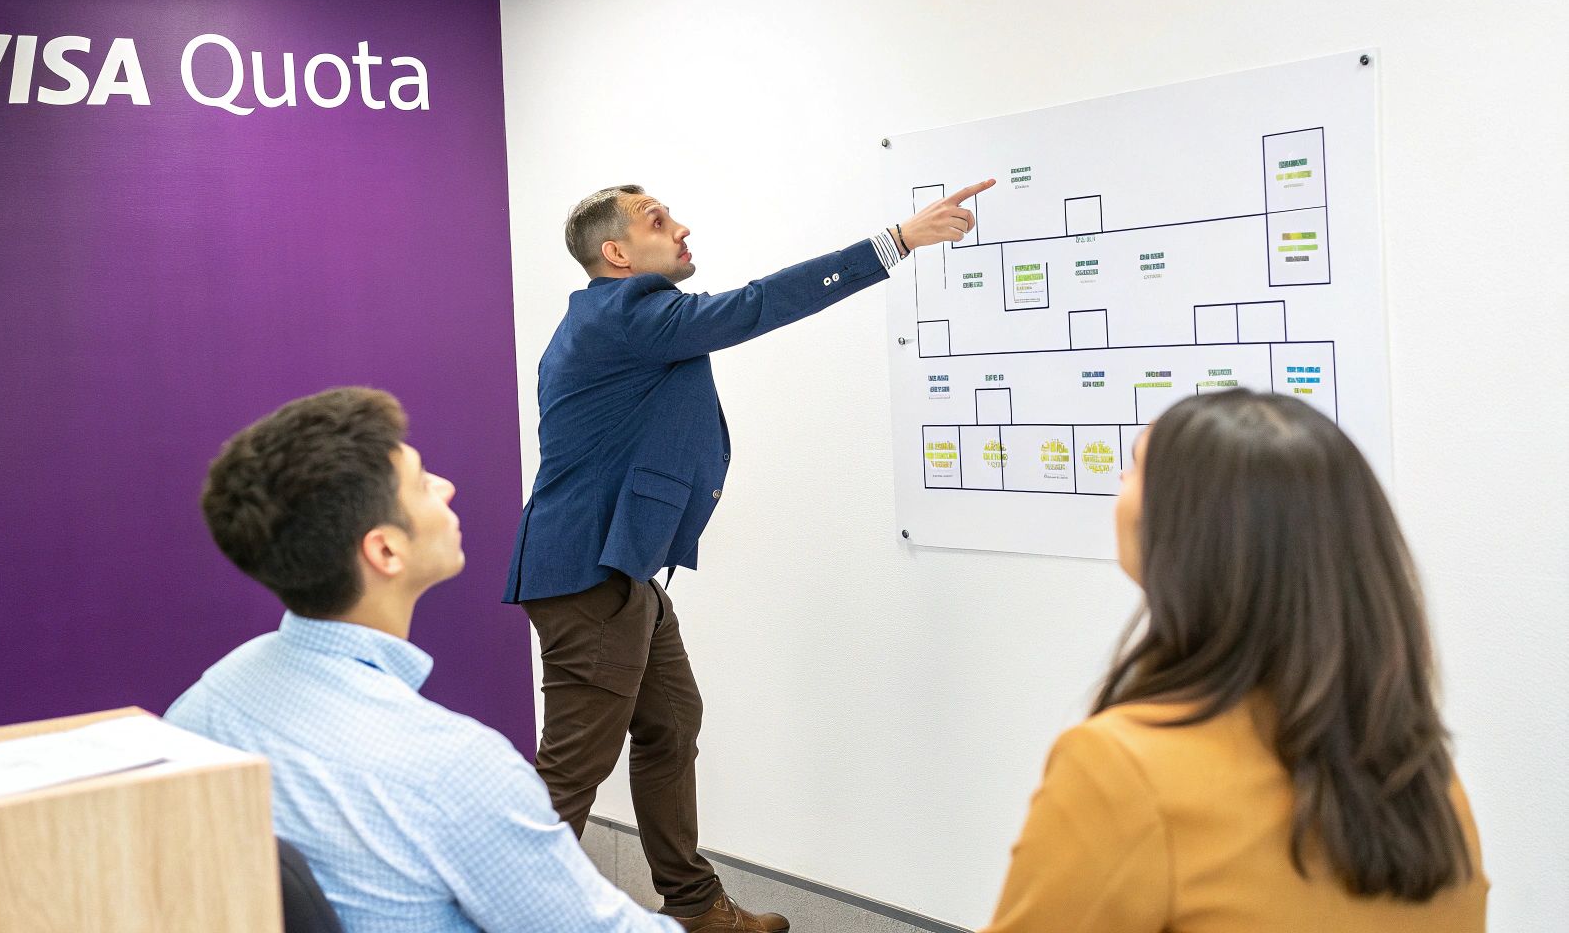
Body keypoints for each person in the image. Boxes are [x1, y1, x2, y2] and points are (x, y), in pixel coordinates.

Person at [505, 181, 993, 932]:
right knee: (572, 770)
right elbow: (758, 304)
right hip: (588, 576)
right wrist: (896, 240)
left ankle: (698, 909)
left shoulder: (602, 320)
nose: (681, 228)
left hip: (616, 568)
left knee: (670, 721)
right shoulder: (631, 313)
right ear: (616, 253)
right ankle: (501, 917)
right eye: (657, 222)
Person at [166, 387, 681, 933]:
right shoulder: (457, 770)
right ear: (385, 550)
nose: (446, 486)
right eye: (421, 482)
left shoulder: (206, 703)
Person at [982, 389, 1489, 932]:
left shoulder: (1119, 769)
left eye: (1134, 469)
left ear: (1183, 530)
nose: (1121, 486)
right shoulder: (1422, 782)